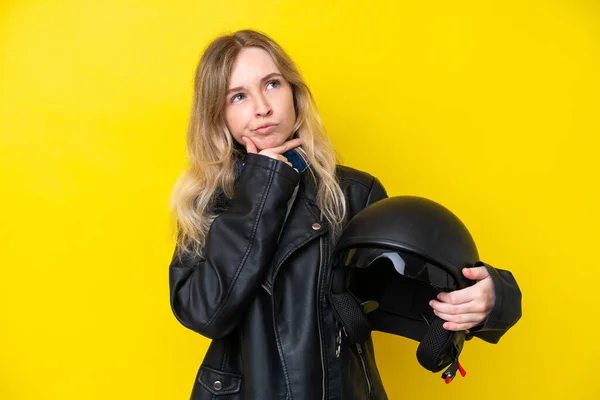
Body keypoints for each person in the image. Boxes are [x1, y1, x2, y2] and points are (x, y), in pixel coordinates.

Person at [169, 29, 521, 400]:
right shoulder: (207, 204)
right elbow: (206, 313)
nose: (262, 107)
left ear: (294, 93)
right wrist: (262, 189)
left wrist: (488, 298)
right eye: (238, 96)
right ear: (217, 115)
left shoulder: (353, 193)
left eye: (272, 84)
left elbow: (407, 294)